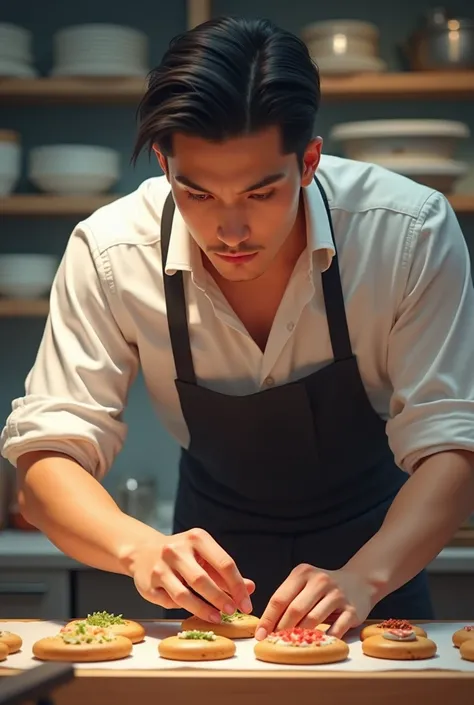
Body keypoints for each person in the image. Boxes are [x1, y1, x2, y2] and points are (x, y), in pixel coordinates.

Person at [2, 16, 474, 641]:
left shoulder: (407, 231)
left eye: (259, 194)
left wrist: (366, 576)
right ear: (166, 166)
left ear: (308, 162)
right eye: (196, 193)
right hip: (205, 573)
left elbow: (454, 442)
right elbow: (46, 457)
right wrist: (139, 550)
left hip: (376, 557)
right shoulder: (111, 249)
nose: (230, 231)